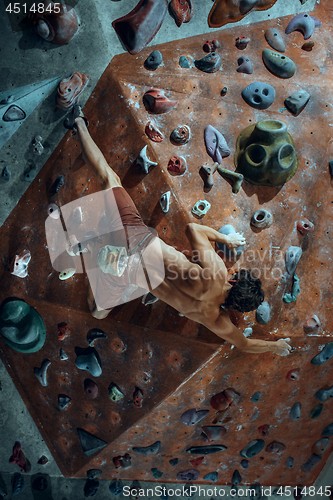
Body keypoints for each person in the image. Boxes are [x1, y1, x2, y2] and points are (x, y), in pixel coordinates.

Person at [65, 106, 292, 357]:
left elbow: (193, 228)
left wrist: (224, 237)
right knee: (97, 312)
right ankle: (100, 264)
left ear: (234, 280)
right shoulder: (215, 320)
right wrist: (276, 347)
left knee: (110, 179)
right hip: (131, 274)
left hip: (136, 239)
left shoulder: (216, 273)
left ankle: (78, 122)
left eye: (235, 273)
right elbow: (245, 344)